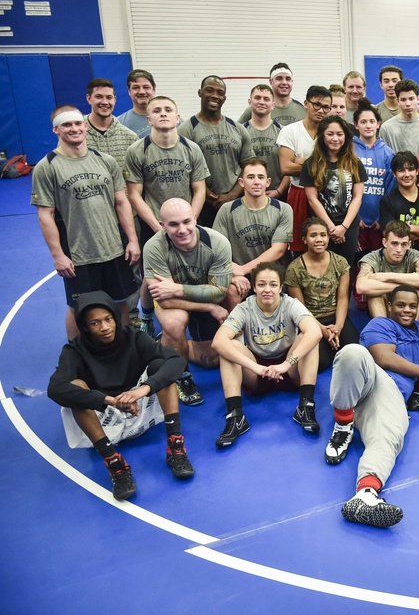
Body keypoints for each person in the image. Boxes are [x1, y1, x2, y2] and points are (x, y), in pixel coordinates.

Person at [47, 291, 193, 500]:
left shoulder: (133, 336)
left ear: (115, 317)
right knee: (76, 389)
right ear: (85, 327)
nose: (105, 327)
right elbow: (55, 388)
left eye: (108, 319)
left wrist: (143, 390)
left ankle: (175, 445)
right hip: (103, 416)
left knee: (160, 366)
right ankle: (114, 462)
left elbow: (176, 361)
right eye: (95, 323)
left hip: (138, 406)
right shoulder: (74, 351)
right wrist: (108, 401)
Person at [324, 285, 419, 528]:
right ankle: (343, 424)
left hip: (391, 394)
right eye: (401, 305)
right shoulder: (380, 324)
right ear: (389, 306)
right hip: (368, 379)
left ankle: (365, 495)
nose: (407, 310)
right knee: (353, 352)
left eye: (412, 306)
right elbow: (384, 358)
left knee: (391, 434)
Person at [31, 106, 141, 340]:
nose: (74, 129)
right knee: (79, 308)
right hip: (79, 253)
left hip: (114, 248)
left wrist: (132, 240)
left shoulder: (105, 160)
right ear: (56, 129)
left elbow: (122, 202)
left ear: (84, 126)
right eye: (67, 125)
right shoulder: (47, 166)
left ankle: (120, 349)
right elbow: (45, 215)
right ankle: (77, 353)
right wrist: (58, 255)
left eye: (77, 123)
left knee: (119, 302)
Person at [124, 96, 211, 336]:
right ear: (149, 118)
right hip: (154, 225)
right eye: (157, 110)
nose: (163, 114)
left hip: (186, 222)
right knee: (151, 275)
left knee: (191, 268)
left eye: (168, 110)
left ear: (177, 116)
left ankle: (192, 312)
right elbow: (134, 194)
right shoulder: (137, 150)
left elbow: (199, 189)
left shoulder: (191, 148)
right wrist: (157, 226)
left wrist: (189, 222)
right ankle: (147, 315)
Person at [212, 262, 323, 447]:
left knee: (308, 337)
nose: (267, 290)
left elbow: (315, 332)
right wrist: (257, 368)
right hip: (257, 370)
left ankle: (305, 406)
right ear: (254, 287)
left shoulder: (290, 304)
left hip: (290, 368)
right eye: (261, 284)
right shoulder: (244, 308)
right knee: (227, 347)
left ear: (281, 287)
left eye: (273, 284)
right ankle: (235, 417)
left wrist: (286, 364)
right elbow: (218, 341)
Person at [143, 198, 232, 406]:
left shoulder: (217, 242)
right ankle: (182, 376)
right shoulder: (154, 248)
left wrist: (177, 288)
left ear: (195, 218)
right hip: (186, 300)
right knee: (174, 323)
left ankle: (164, 346)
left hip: (193, 292)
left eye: (186, 222)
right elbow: (165, 302)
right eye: (173, 225)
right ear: (162, 225)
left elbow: (219, 292)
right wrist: (209, 306)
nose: (182, 230)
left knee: (212, 360)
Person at [212, 159, 293, 308]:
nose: (256, 182)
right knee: (232, 291)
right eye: (251, 177)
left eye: (260, 177)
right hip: (241, 277)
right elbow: (217, 250)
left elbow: (279, 250)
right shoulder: (227, 210)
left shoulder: (283, 209)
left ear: (268, 182)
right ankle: (234, 330)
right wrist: (233, 273)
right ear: (241, 182)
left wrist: (242, 270)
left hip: (272, 275)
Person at [177, 75, 255, 226]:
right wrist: (207, 195)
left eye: (220, 93)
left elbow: (249, 167)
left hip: (237, 202)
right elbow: (186, 171)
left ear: (224, 98)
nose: (214, 96)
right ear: (200, 93)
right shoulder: (186, 130)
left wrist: (232, 195)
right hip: (202, 206)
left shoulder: (238, 129)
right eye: (209, 90)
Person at [286, 218, 360, 372]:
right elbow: (300, 309)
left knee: (354, 352)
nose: (319, 239)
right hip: (311, 320)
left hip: (337, 316)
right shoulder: (294, 269)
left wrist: (338, 327)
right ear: (304, 240)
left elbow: (343, 298)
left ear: (328, 238)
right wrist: (322, 330)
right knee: (321, 363)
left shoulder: (340, 262)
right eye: (313, 235)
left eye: (323, 235)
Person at [301, 115, 367, 264]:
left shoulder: (355, 163)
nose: (335, 138)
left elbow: (357, 197)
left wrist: (343, 227)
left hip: (349, 225)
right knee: (323, 267)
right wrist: (331, 228)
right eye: (330, 134)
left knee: (346, 268)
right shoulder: (311, 164)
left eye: (339, 134)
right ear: (322, 136)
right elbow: (312, 199)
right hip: (322, 227)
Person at [276, 85, 334, 254]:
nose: (321, 110)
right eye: (317, 105)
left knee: (326, 243)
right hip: (299, 192)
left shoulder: (330, 133)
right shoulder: (290, 131)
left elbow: (335, 167)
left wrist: (301, 162)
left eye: (326, 107)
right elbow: (286, 167)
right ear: (306, 104)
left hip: (327, 194)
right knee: (299, 245)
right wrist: (317, 164)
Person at [356, 220, 419, 318]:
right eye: (394, 243)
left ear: (409, 244)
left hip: (406, 305)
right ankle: (383, 330)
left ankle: (413, 330)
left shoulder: (414, 255)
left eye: (403, 245)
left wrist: (388, 276)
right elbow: (361, 287)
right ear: (385, 242)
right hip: (384, 305)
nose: (399, 250)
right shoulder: (372, 257)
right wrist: (406, 286)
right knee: (373, 293)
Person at [354, 99, 395, 265]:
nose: (368, 126)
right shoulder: (349, 151)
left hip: (379, 223)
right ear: (356, 125)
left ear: (378, 124)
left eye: (372, 121)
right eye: (363, 122)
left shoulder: (388, 153)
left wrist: (382, 218)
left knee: (378, 263)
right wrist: (355, 218)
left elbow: (391, 189)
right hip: (355, 222)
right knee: (356, 263)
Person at [242, 84, 286, 199]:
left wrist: (279, 191)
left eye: (266, 99)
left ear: (273, 105)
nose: (261, 102)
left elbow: (288, 168)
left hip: (279, 195)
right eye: (257, 98)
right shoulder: (239, 132)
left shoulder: (284, 132)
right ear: (249, 102)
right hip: (247, 196)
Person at [84, 78, 137, 168]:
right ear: (89, 99)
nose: (105, 102)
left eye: (109, 97)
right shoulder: (75, 135)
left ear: (115, 100)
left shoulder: (130, 138)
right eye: (99, 97)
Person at [237, 63, 307, 128]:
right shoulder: (256, 108)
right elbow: (236, 131)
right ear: (271, 81)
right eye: (279, 78)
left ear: (292, 81)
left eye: (288, 79)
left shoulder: (302, 110)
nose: (284, 82)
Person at [378, 79, 419, 156]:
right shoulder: (386, 128)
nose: (408, 104)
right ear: (397, 101)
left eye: (411, 99)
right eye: (403, 100)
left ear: (418, 99)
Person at [117, 69, 156, 138]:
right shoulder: (118, 123)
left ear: (154, 90)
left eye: (146, 87)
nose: (142, 92)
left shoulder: (172, 119)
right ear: (129, 91)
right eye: (136, 87)